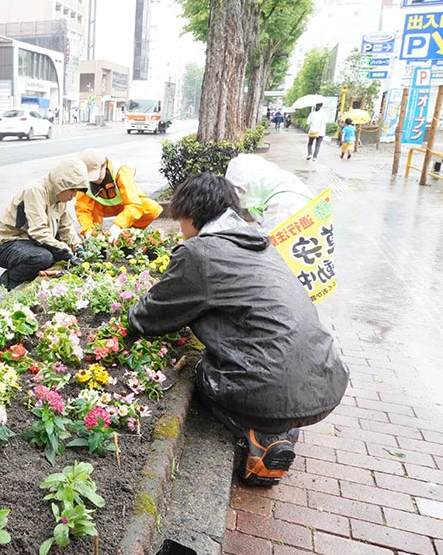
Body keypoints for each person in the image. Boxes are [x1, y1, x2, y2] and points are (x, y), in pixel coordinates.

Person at [126, 173, 348, 487]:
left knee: (202, 371)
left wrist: (130, 315)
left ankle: (259, 434)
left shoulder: (199, 253)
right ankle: (281, 424)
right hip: (324, 380)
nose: (179, 228)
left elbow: (148, 318)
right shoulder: (260, 244)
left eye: (180, 220)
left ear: (191, 214)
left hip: (266, 385)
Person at [0, 158, 89, 290]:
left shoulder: (60, 199)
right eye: (73, 190)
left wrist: (78, 248)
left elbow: (66, 228)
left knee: (57, 255)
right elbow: (38, 230)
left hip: (30, 242)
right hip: (5, 244)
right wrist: (67, 252)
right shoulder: (35, 190)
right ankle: (10, 281)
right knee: (43, 257)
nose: (74, 195)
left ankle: (33, 276)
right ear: (62, 184)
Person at [74, 148, 163, 242]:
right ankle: (97, 239)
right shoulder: (84, 179)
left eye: (97, 175)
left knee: (151, 208)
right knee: (91, 212)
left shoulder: (121, 172)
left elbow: (133, 205)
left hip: (124, 205)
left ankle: (128, 235)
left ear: (104, 165)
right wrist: (88, 231)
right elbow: (83, 210)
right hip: (101, 208)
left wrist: (118, 226)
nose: (95, 180)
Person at [224, 154, 313, 232]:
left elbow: (272, 245)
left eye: (241, 190)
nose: (240, 194)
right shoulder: (279, 181)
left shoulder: (280, 204)